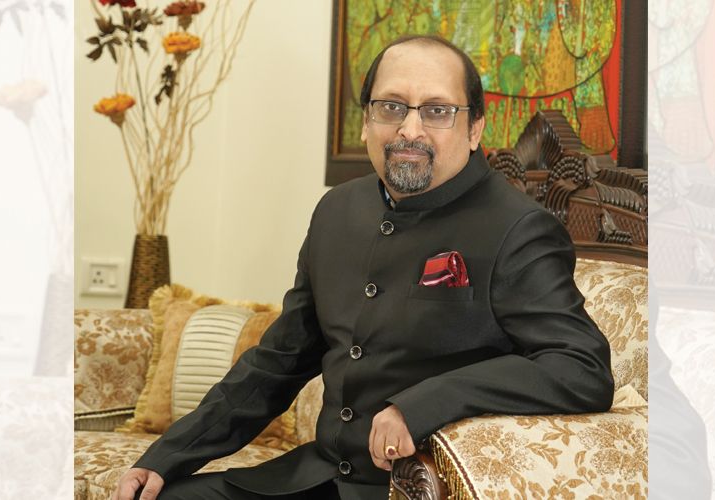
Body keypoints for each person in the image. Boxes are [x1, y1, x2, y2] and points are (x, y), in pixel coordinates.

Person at [113, 34, 614, 500]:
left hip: (410, 488)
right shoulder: (337, 209)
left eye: (437, 111)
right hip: (317, 474)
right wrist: (167, 456)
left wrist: (422, 405)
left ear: (475, 128)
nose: (410, 130)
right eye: (391, 107)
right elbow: (280, 360)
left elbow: (580, 368)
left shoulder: (518, 227)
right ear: (366, 121)